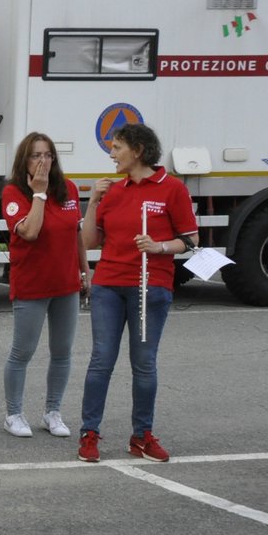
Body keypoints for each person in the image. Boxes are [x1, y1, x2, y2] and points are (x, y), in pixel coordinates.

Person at [77, 122, 198, 463]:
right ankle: (89, 433)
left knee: (143, 364)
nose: (111, 154)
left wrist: (159, 246)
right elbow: (88, 241)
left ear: (138, 150)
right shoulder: (113, 192)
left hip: (150, 286)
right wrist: (93, 202)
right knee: (101, 361)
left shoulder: (172, 189)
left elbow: (191, 240)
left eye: (117, 147)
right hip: (108, 286)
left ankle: (141, 436)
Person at [0, 133, 86, 439]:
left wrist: (84, 272)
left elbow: (76, 235)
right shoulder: (13, 192)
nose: (43, 162)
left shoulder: (70, 189)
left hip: (66, 283)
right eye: (36, 155)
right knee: (22, 352)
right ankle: (13, 414)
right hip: (32, 285)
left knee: (62, 352)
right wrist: (38, 194)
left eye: (48, 155)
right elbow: (31, 232)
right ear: (25, 159)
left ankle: (53, 411)